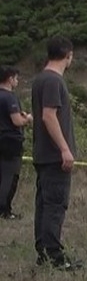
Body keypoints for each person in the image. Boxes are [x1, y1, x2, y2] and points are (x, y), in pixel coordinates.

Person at [31, 36, 81, 270]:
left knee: (44, 204)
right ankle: (54, 257)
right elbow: (48, 116)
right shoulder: (53, 81)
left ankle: (44, 253)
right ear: (68, 55)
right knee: (54, 205)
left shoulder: (40, 79)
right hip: (54, 156)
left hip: (43, 154)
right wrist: (64, 149)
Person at [0, 66, 34, 220]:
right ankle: (4, 210)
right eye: (16, 78)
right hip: (11, 141)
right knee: (10, 176)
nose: (17, 81)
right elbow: (16, 121)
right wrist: (27, 119)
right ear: (9, 79)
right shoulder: (10, 97)